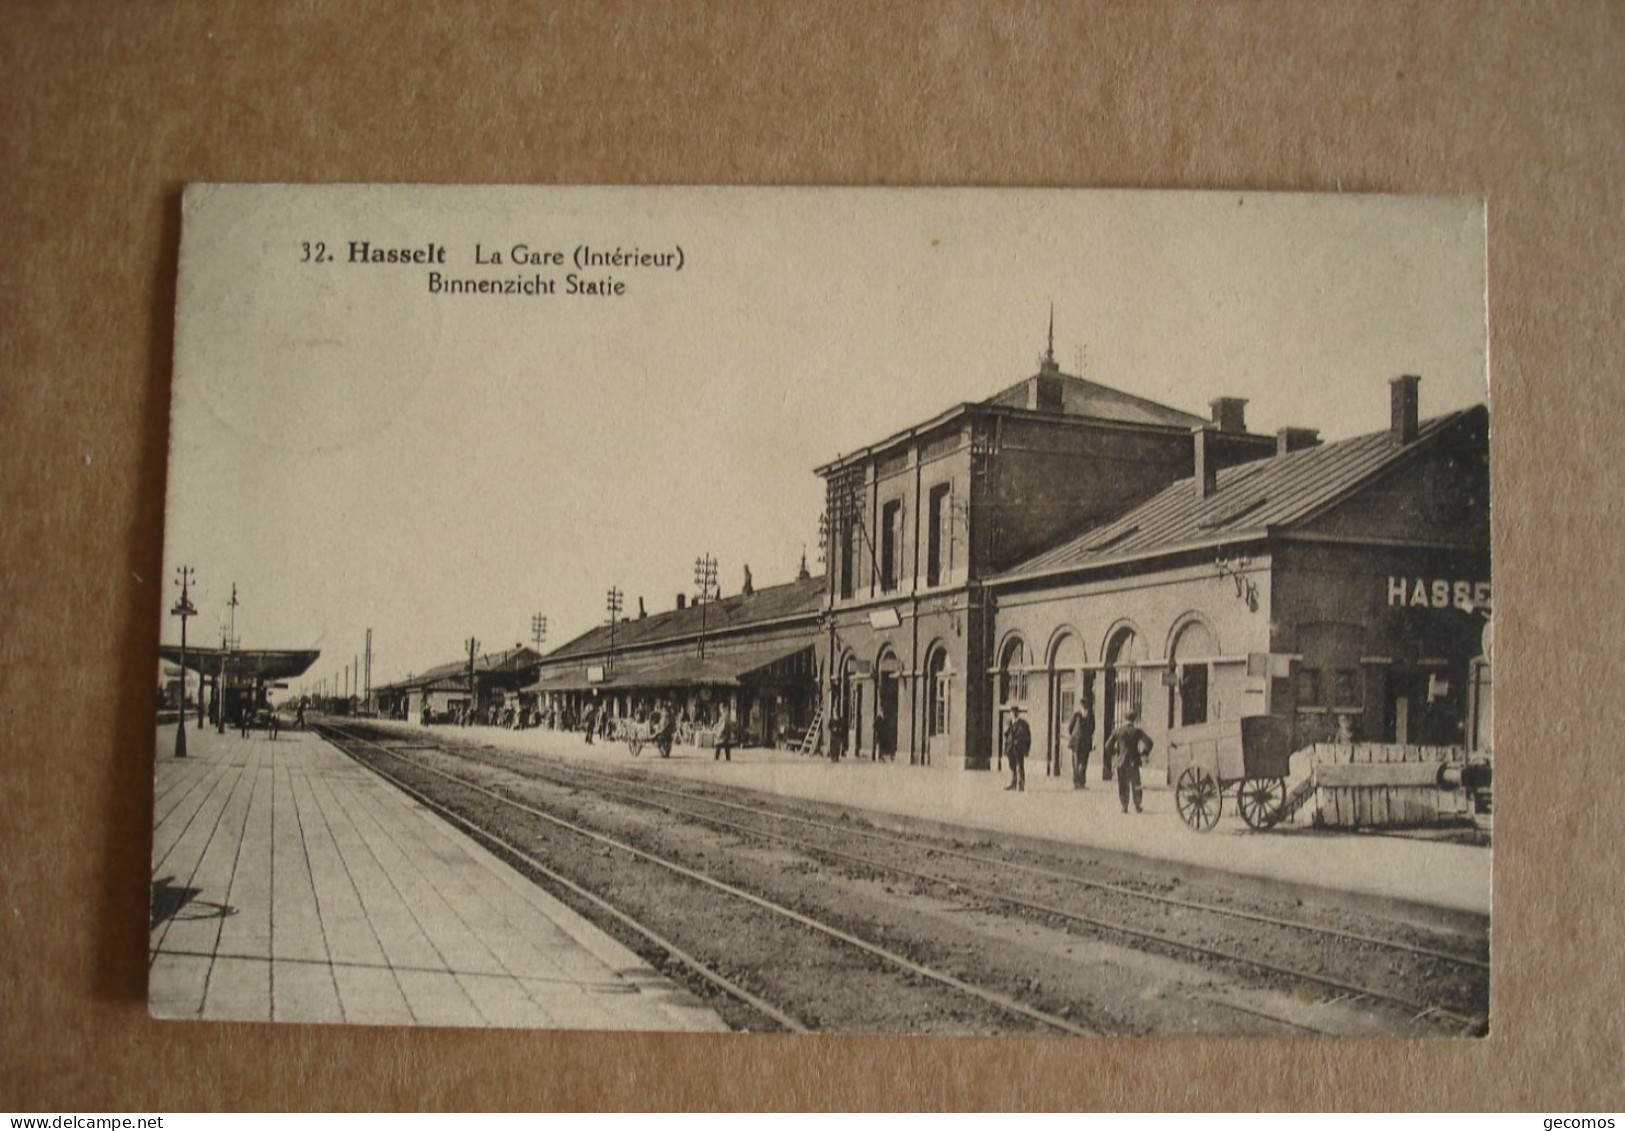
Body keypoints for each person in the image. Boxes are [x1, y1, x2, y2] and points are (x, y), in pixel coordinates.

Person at [1105, 710, 1153, 813]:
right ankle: (1138, 805)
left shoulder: (1118, 731)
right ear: (1134, 719)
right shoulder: (1137, 731)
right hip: (1134, 761)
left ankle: (1124, 805)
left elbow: (1107, 745)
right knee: (1136, 783)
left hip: (1121, 761)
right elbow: (1149, 743)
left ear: (1124, 719)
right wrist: (1143, 753)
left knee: (1122, 784)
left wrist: (1115, 753)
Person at [1068, 695, 1095, 789]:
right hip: (1077, 743)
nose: (1084, 707)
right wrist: (1074, 737)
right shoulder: (1077, 715)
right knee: (1076, 762)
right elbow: (1070, 727)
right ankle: (1076, 782)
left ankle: (1081, 782)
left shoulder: (1090, 715)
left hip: (1085, 742)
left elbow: (1092, 728)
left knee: (1083, 763)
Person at [1004, 706, 1031, 791]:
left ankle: (1021, 784)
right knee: (1012, 766)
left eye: (1015, 712)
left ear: (1018, 713)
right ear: (1010, 713)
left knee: (1020, 765)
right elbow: (1006, 735)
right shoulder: (1008, 723)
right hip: (1010, 748)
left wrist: (1027, 749)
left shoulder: (1023, 724)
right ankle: (1013, 783)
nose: (1014, 714)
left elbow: (1028, 737)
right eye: (1012, 712)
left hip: (1019, 748)